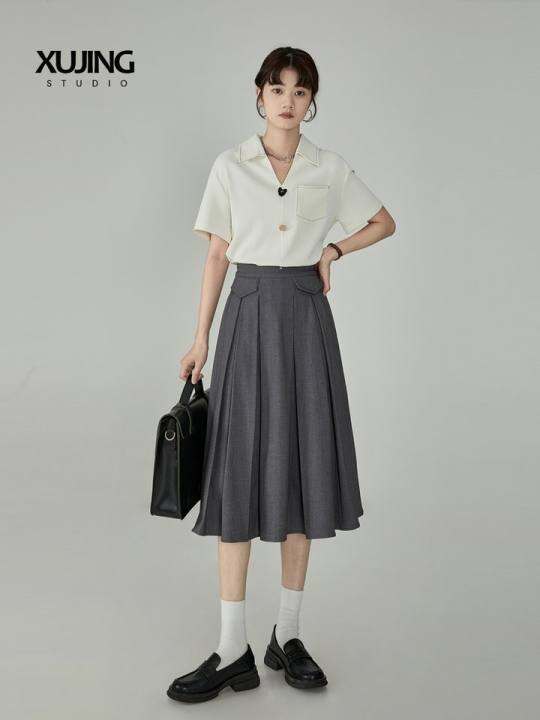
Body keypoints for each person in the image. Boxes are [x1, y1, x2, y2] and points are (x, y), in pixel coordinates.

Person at [166, 46, 396, 704]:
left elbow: (384, 222)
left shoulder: (329, 167)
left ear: (311, 100)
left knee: (302, 469)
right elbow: (217, 254)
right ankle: (230, 648)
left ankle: (286, 636)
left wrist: (334, 248)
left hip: (304, 316)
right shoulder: (230, 166)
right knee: (237, 475)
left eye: (300, 90)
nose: (288, 101)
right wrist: (199, 339)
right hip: (246, 313)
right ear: (259, 95)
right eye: (277, 88)